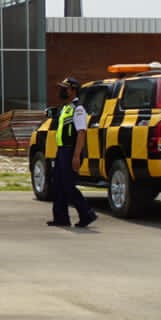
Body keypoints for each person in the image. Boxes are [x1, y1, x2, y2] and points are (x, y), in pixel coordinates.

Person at [48, 76, 97, 228]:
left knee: (68, 186)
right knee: (58, 185)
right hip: (62, 150)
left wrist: (76, 156)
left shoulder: (79, 109)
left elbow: (81, 133)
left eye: (65, 88)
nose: (62, 91)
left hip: (71, 152)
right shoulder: (66, 108)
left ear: (73, 90)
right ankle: (61, 218)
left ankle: (87, 214)